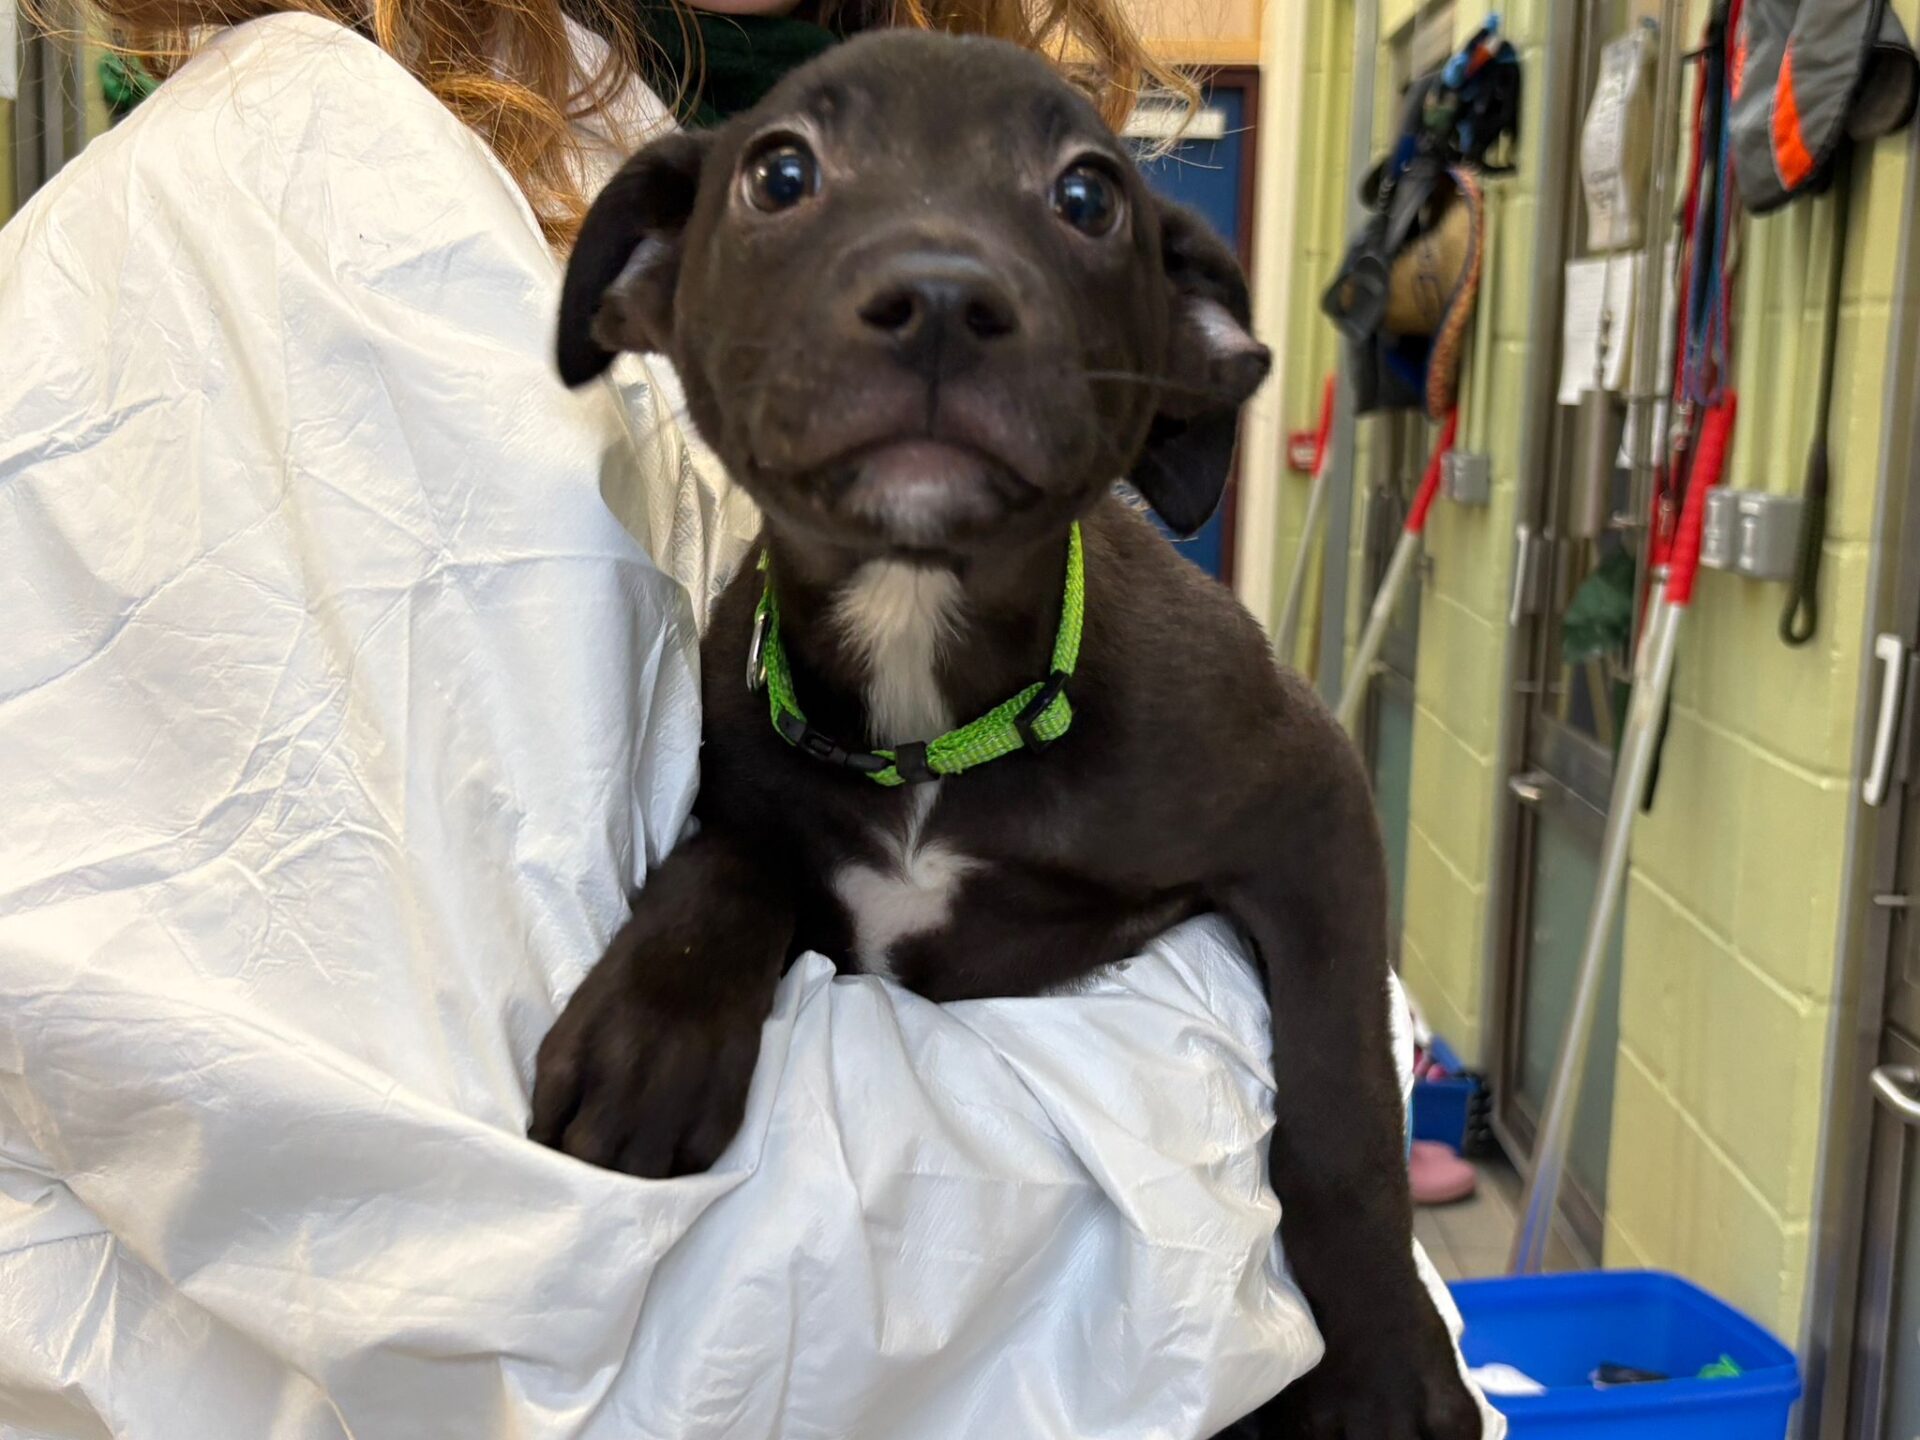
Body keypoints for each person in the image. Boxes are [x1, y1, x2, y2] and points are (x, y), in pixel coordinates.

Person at [0, 2, 1492, 1436]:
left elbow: (1310, 813)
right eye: (788, 180)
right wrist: (729, 892)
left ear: (1184, 364)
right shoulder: (302, 186)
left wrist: (1347, 1245)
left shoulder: (1172, 683)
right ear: (642, 297)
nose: (938, 294)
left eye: (1079, 200)